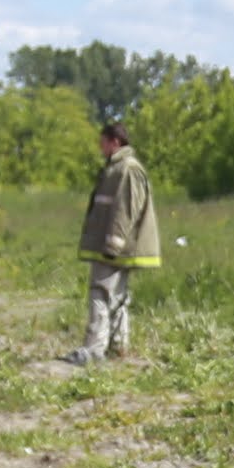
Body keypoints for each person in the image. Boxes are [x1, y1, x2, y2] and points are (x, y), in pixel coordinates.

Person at [72, 117, 161, 361]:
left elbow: (126, 209)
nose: (100, 147)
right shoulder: (116, 169)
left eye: (102, 142)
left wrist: (113, 243)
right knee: (116, 297)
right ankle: (117, 347)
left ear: (115, 142)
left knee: (100, 294)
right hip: (117, 246)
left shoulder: (127, 169)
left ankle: (94, 350)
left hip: (115, 248)